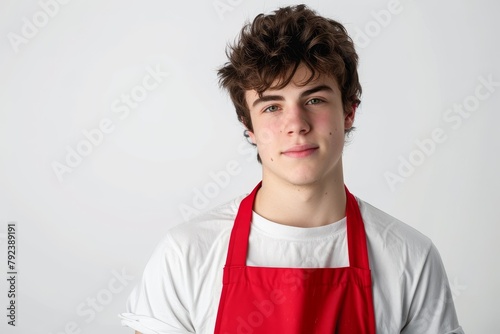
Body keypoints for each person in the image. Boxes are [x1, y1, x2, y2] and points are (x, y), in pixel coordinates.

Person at [120, 4, 464, 333]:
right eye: (271, 107)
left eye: (314, 100)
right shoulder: (186, 254)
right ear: (248, 125)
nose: (296, 124)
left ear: (348, 112)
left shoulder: (410, 257)